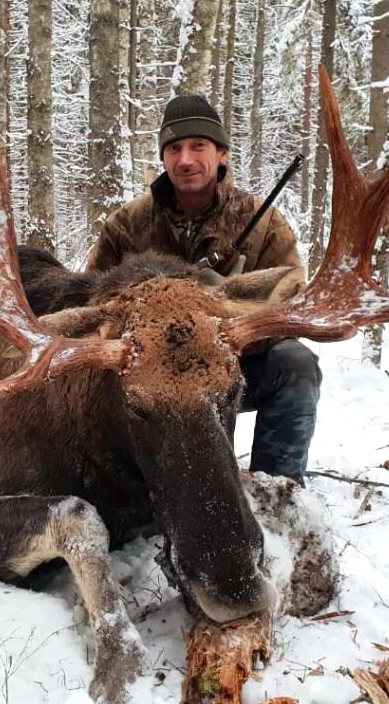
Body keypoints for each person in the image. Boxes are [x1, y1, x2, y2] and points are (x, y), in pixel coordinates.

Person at [88, 95, 321, 481]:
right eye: (174, 148)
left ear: (222, 154)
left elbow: (293, 304)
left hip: (234, 364)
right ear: (163, 159)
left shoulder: (264, 223)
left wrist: (228, 319)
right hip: (150, 377)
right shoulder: (127, 225)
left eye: (199, 146)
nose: (186, 160)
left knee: (295, 364)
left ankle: (276, 489)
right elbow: (93, 300)